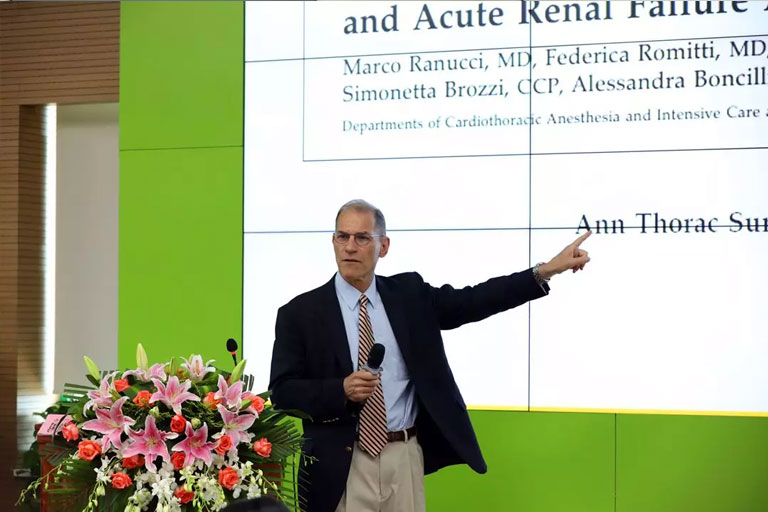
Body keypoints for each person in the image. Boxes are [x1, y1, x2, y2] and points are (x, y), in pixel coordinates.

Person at [269, 200, 591, 512]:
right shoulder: (299, 313)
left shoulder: (409, 295)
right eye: (343, 236)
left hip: (403, 456)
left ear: (383, 246)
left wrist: (544, 271)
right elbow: (283, 393)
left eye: (362, 238)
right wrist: (340, 389)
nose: (350, 247)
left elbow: (474, 300)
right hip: (339, 463)